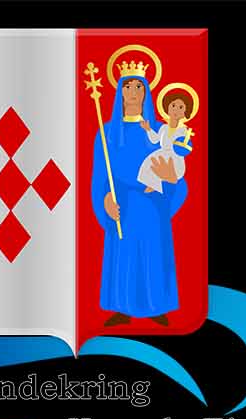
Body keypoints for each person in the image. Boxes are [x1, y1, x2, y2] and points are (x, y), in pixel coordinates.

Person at [93, 54, 191, 324]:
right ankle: (122, 307)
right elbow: (100, 177)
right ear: (120, 92)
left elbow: (179, 177)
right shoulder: (107, 133)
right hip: (123, 204)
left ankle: (157, 306)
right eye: (128, 86)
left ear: (147, 92)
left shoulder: (162, 131)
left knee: (153, 254)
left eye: (139, 86)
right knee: (124, 255)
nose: (133, 92)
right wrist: (105, 200)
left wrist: (170, 180)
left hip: (152, 205)